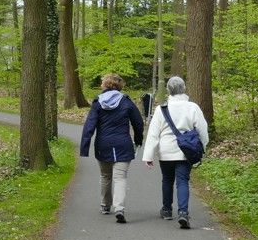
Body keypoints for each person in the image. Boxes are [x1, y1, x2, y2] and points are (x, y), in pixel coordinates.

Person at [142, 75, 210, 229]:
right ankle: (183, 213)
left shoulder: (161, 109)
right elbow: (202, 129)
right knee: (182, 181)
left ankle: (166, 210)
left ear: (168, 90)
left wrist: (148, 155)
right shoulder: (192, 107)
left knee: (167, 179)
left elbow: (153, 134)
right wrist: (203, 147)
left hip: (166, 151)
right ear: (183, 88)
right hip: (185, 151)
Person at [80, 73, 145, 223]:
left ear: (105, 85)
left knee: (105, 176)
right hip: (123, 144)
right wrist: (138, 140)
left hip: (103, 145)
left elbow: (89, 126)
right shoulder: (126, 101)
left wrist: (84, 147)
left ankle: (105, 205)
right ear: (119, 86)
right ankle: (119, 208)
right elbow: (138, 123)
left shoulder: (97, 102)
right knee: (120, 177)